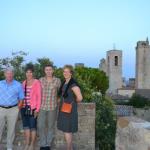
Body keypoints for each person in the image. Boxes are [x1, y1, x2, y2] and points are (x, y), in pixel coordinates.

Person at [57, 65, 83, 150]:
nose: (65, 73)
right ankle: (70, 148)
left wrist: (73, 103)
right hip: (64, 109)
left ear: (71, 73)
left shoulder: (73, 84)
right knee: (67, 130)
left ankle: (69, 148)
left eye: (67, 71)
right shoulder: (64, 82)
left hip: (69, 110)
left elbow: (80, 98)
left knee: (67, 130)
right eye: (64, 71)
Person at [0, 67, 24, 150]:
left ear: (13, 74)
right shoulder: (0, 83)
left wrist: (18, 109)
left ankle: (9, 147)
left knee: (11, 129)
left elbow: (21, 98)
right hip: (1, 109)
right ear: (5, 74)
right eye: (7, 73)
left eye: (11, 73)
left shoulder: (18, 84)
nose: (9, 75)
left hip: (13, 109)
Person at [38, 64, 61, 150]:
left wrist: (59, 99)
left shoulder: (57, 81)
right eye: (47, 70)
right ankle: (43, 144)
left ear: (53, 70)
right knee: (40, 125)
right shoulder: (40, 80)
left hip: (52, 107)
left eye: (50, 69)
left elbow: (61, 92)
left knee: (51, 126)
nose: (48, 71)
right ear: (44, 71)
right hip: (42, 107)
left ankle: (47, 144)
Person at [21, 64, 41, 150]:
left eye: (30, 72)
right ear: (25, 73)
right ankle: (27, 143)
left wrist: (37, 109)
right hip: (24, 108)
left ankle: (32, 144)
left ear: (33, 73)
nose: (29, 74)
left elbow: (39, 97)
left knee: (33, 127)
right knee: (26, 126)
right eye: (27, 72)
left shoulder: (36, 82)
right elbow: (21, 95)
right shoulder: (24, 83)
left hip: (33, 108)